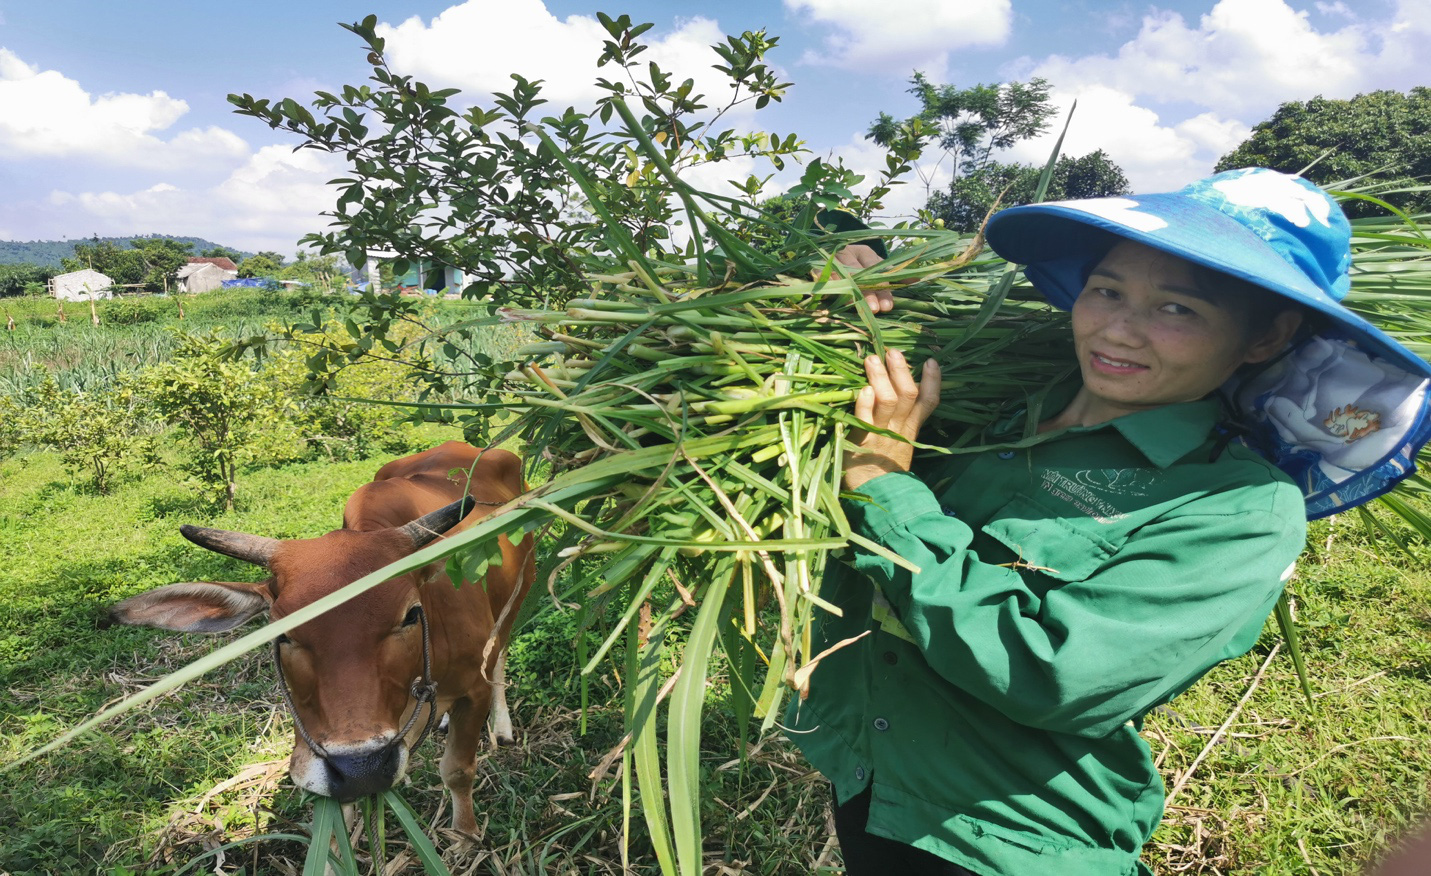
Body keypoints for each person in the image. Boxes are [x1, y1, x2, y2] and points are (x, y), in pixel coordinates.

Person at [787, 168, 1431, 875]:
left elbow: (1049, 674)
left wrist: (883, 487)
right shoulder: (1009, 392)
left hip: (1004, 840)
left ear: (1266, 336)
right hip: (869, 774)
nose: (1117, 331)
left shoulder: (1240, 507)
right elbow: (854, 280)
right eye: (1107, 290)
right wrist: (854, 264)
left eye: (1177, 310)